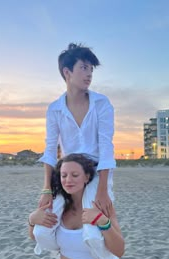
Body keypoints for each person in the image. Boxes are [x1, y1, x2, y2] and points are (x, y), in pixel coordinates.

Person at [29, 154, 124, 259]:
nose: (68, 180)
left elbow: (119, 250)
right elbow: (36, 236)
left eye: (75, 175)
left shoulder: (101, 205)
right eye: (64, 175)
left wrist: (102, 221)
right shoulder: (57, 207)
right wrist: (31, 220)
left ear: (87, 177)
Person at [38, 43, 116, 215]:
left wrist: (102, 190)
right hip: (68, 173)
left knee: (93, 228)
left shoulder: (102, 104)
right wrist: (46, 188)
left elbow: (106, 147)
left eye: (91, 69)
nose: (89, 74)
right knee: (45, 225)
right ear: (67, 72)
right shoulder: (55, 109)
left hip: (96, 172)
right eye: (83, 68)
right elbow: (50, 149)